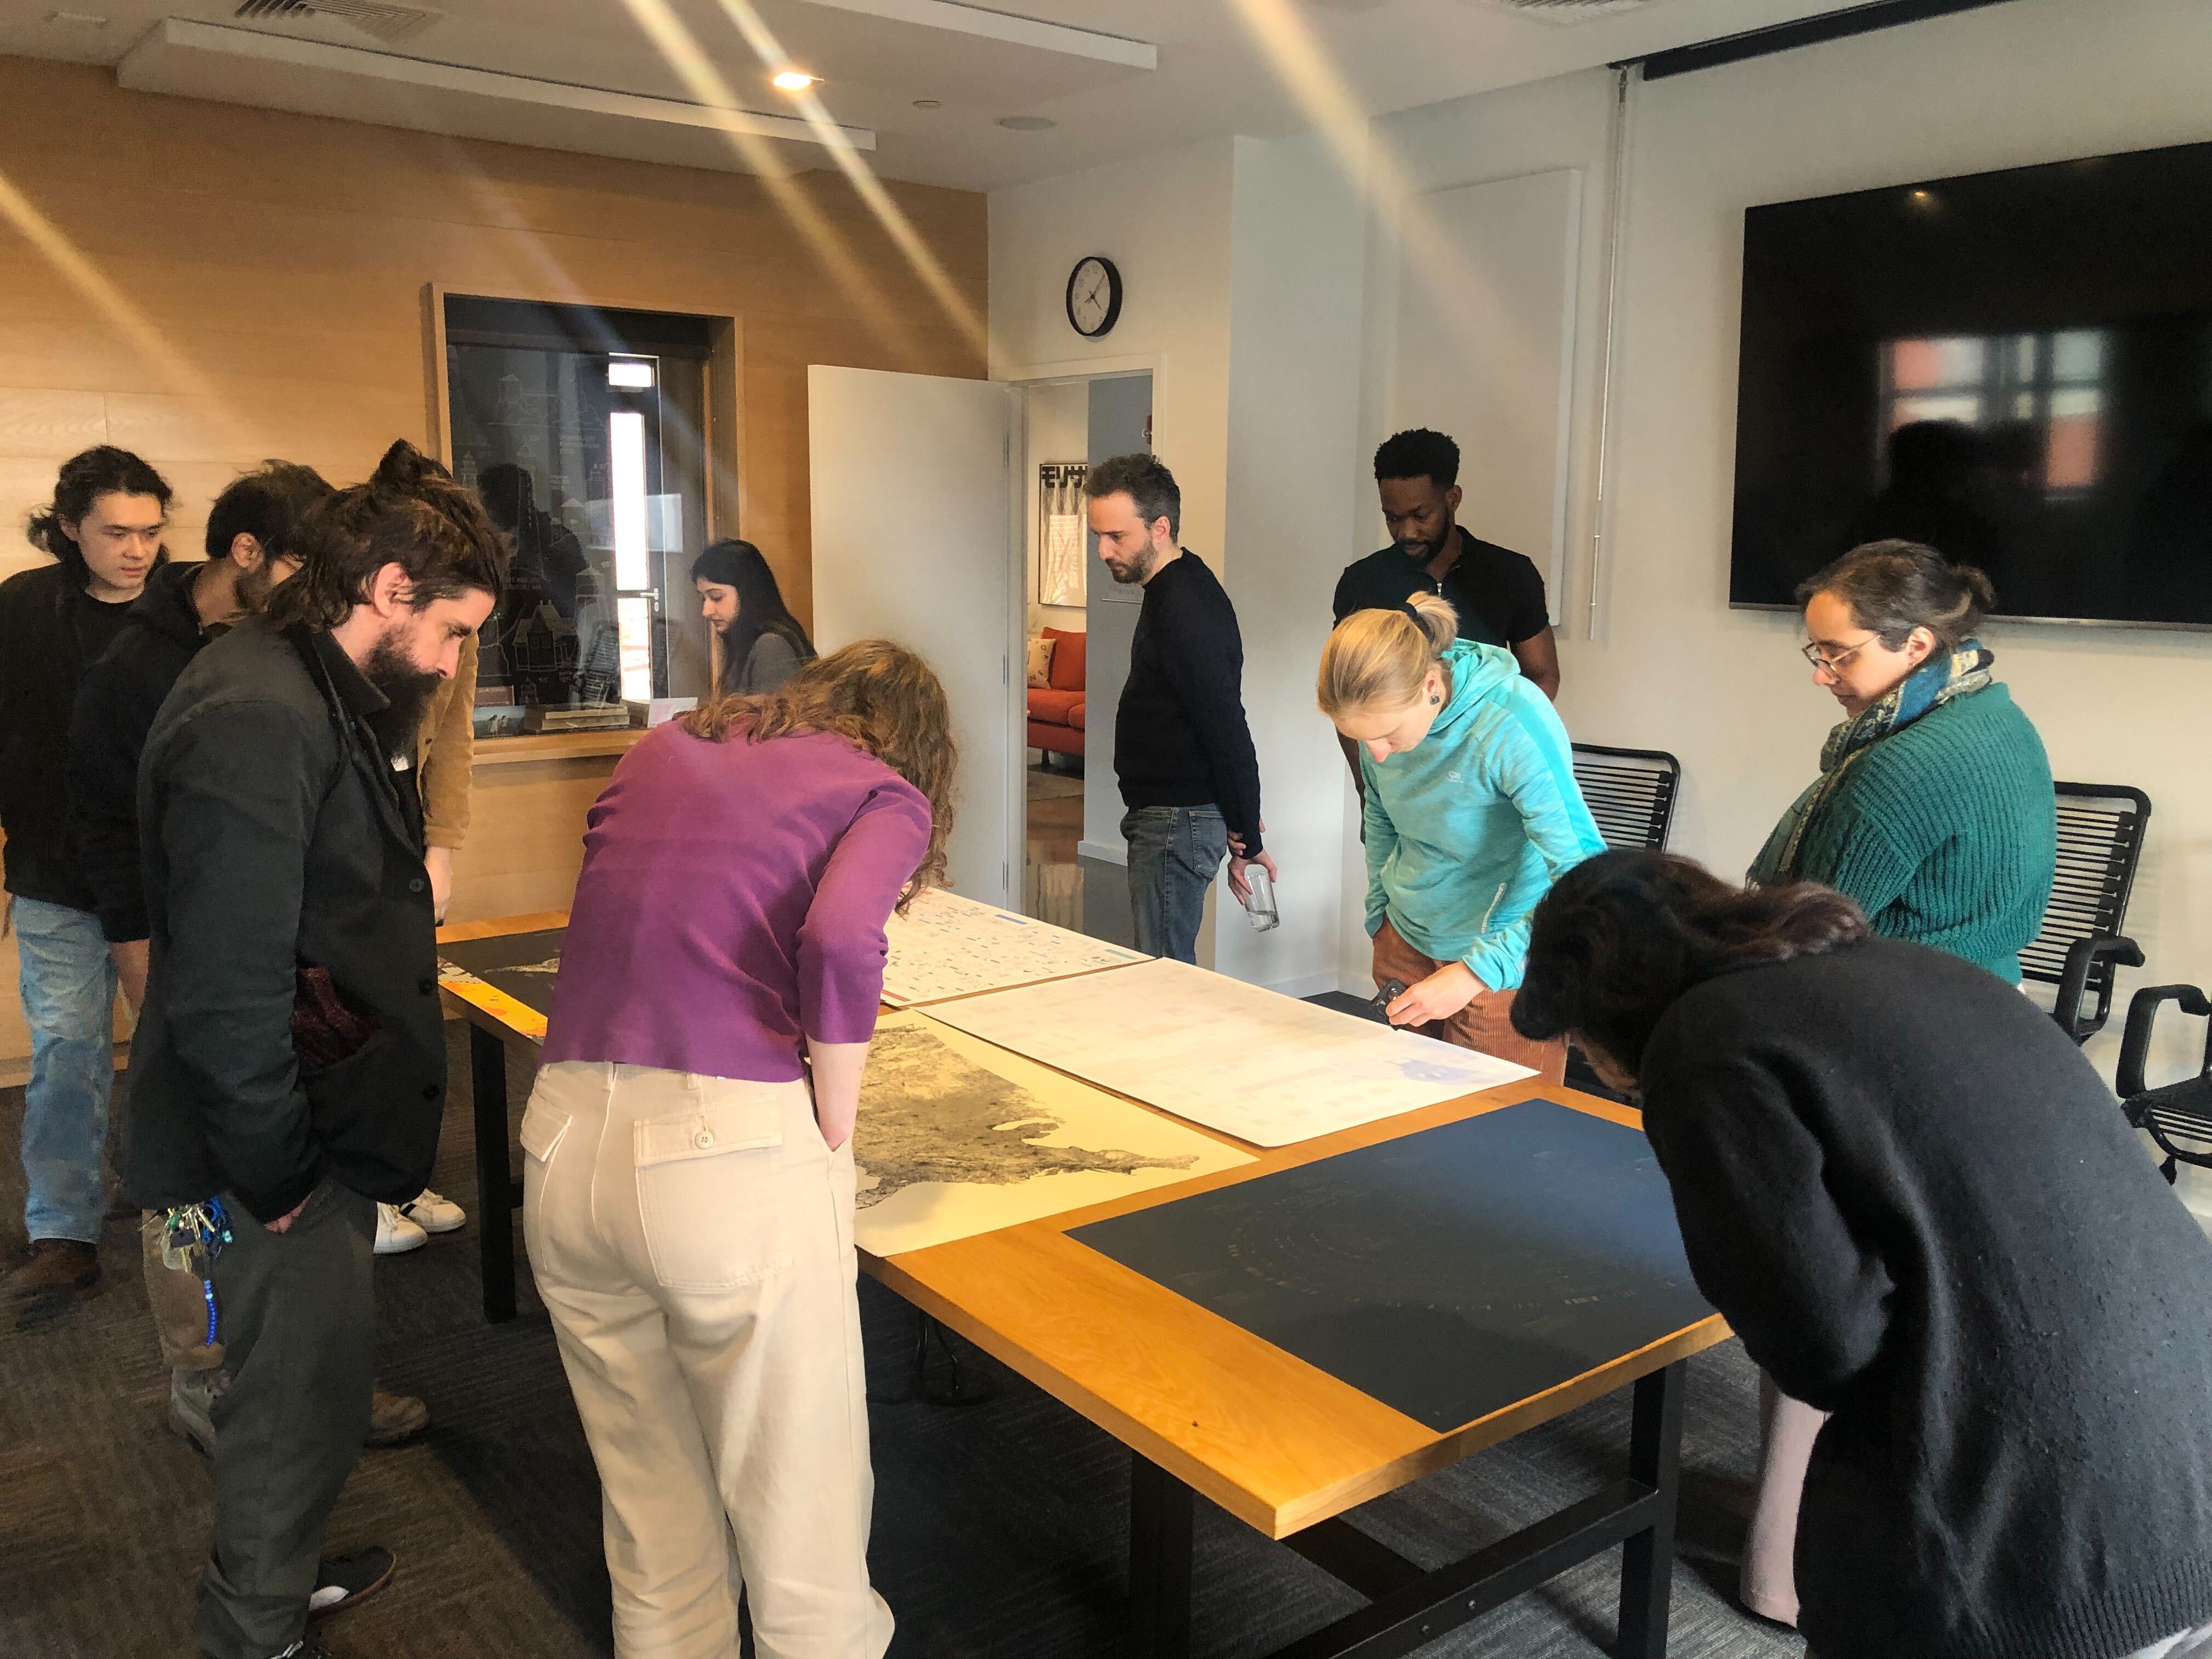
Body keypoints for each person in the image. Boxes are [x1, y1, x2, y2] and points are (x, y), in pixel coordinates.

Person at [1511, 850, 2212, 1659]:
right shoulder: (1916, 970)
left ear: (1609, 1008)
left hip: (2046, 1549)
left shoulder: (1704, 1042)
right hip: (2184, 1444)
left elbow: (1823, 1347)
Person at [122, 440, 506, 1659]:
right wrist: (280, 1170)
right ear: (389, 591)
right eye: (451, 635)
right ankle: (254, 1631)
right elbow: (230, 986)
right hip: (267, 1153)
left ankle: (275, 1584)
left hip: (302, 1119)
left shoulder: (302, 681)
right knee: (291, 1406)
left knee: (313, 1391)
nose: (452, 668)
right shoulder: (256, 713)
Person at [525, 639, 955, 1659]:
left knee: (647, 1498)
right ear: (917, 745)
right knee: (797, 1493)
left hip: (562, 1132)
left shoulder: (662, 745)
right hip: (720, 1152)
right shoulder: (884, 791)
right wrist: (834, 1107)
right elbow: (843, 938)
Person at [1739, 540, 2059, 1626]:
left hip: (1892, 1052)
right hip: (1980, 1040)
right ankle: (1859, 1551)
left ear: (1917, 642)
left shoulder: (1895, 773)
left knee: (1823, 1296)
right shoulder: (1994, 717)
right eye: (1812, 649)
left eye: (1836, 652)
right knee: (1909, 1315)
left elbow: (1792, 937)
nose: (1819, 671)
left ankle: (1782, 1578)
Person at [0, 445, 172, 1306]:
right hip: (55, 875)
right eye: (115, 532)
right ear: (71, 528)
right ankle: (62, 1229)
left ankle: (167, 1184)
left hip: (163, 879)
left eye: (149, 531)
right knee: (67, 1050)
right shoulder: (22, 609)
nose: (135, 550)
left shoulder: (184, 619)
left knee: (174, 1041)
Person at [1317, 592, 1601, 1082]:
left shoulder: (1511, 720)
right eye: (1362, 738)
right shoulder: (1377, 726)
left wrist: (1476, 973)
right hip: (1404, 937)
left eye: (1388, 734)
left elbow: (1584, 876)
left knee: (1497, 1137)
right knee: (1396, 1125)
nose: (1378, 754)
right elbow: (1381, 815)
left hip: (1503, 962)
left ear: (1431, 685)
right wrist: (1379, 912)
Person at [1085, 453, 1274, 963]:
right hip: (1169, 816)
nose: (1103, 551)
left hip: (1178, 820)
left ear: (1160, 528)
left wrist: (1247, 834)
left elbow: (1225, 725)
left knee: (1163, 973)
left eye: (1116, 537)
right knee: (1162, 965)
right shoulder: (1168, 590)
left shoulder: (1188, 607)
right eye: (1097, 536)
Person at [1334, 428, 1559, 696]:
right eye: (1393, 518)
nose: (1406, 532)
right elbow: (1345, 689)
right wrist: (1374, 739)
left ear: (1453, 499)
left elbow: (1542, 676)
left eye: (1420, 516)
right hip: (1395, 738)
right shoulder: (1362, 581)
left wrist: (1508, 734)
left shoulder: (1511, 574)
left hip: (1486, 736)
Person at [693, 537, 816, 694]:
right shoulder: (745, 644)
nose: (707, 611)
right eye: (704, 598)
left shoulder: (771, 646)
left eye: (717, 597)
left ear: (749, 593)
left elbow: (774, 718)